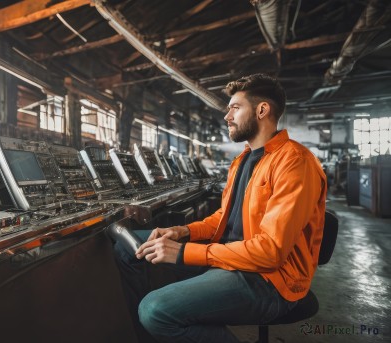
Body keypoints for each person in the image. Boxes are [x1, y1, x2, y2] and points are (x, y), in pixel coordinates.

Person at [113, 73, 327, 342]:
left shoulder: (294, 162)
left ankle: (164, 321)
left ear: (262, 110)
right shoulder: (243, 160)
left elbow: (270, 253)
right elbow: (222, 219)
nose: (227, 116)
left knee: (155, 311)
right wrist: (182, 231)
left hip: (269, 280)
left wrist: (184, 253)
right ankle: (150, 335)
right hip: (231, 257)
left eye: (235, 108)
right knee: (127, 246)